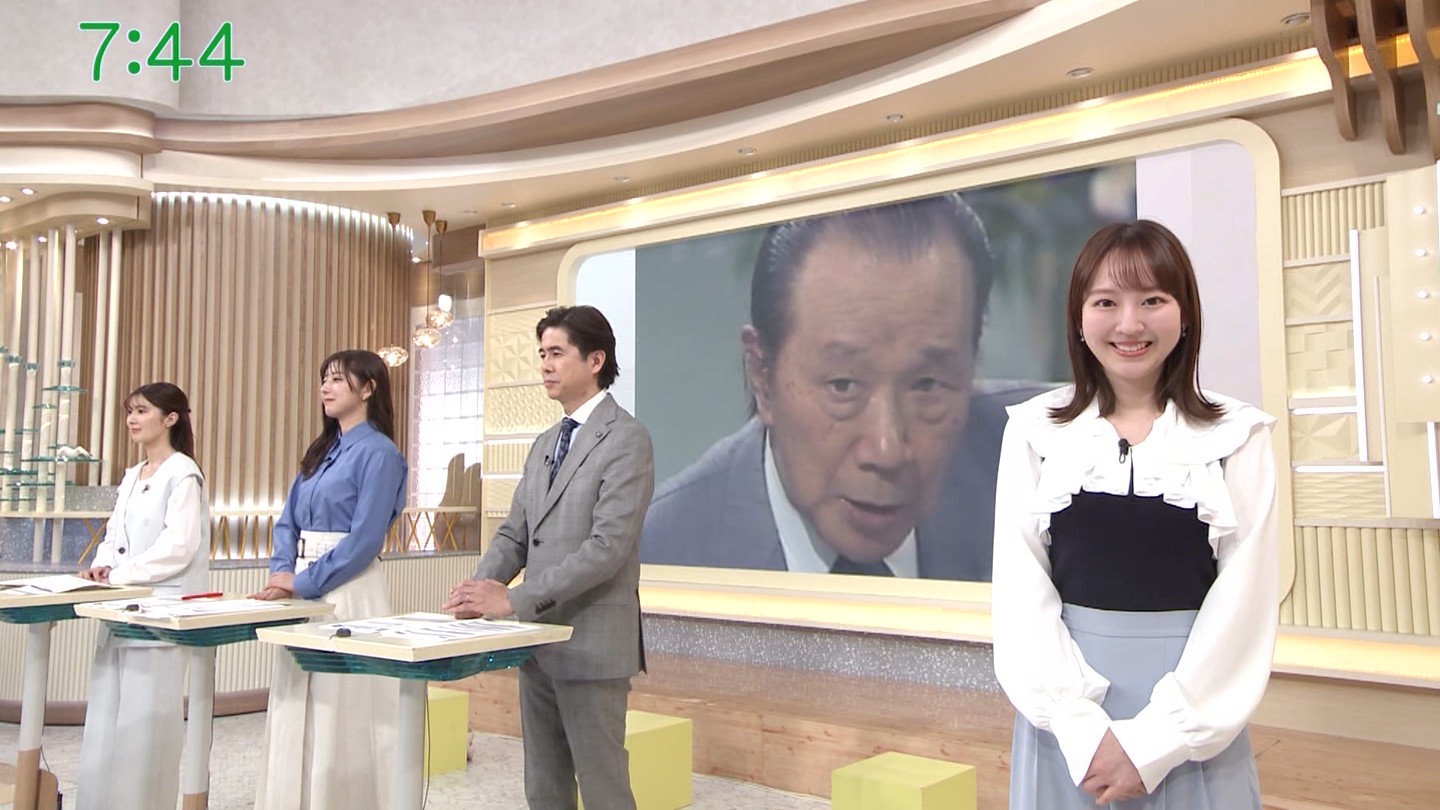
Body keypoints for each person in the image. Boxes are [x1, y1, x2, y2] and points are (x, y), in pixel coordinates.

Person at [991, 220, 1278, 809]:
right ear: (1079, 318)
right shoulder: (1033, 431)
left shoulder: (1238, 435)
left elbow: (1245, 603)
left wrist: (1157, 742)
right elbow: (1019, 590)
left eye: (1152, 300)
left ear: (1185, 314)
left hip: (1195, 717)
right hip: (1066, 725)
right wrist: (1082, 731)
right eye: (1106, 302)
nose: (1129, 324)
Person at [641, 192, 1043, 580]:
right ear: (762, 375)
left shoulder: (1052, 463)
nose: (886, 451)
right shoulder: (660, 559)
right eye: (843, 385)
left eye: (927, 385)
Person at [444, 305, 654, 810]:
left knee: (604, 790)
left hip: (591, 643)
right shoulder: (544, 444)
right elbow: (514, 534)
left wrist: (513, 600)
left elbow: (606, 549)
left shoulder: (627, 439)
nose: (544, 365)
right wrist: (477, 592)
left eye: (556, 353)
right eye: (541, 354)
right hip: (536, 646)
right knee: (544, 787)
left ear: (595, 360)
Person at [251, 349, 408, 810]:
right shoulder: (320, 452)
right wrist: (282, 571)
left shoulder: (381, 454)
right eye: (324, 378)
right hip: (300, 585)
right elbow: (287, 521)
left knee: (342, 706)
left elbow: (364, 540)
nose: (326, 387)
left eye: (338, 379)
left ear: (369, 388)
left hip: (349, 590)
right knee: (296, 699)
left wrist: (301, 583)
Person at [76, 382, 209, 810]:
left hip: (159, 612)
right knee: (106, 720)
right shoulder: (132, 475)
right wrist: (102, 565)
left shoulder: (183, 473)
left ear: (170, 418)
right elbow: (115, 532)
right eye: (130, 411)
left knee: (144, 725)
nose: (132, 419)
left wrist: (121, 575)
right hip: (121, 605)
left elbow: (179, 546)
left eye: (142, 411)